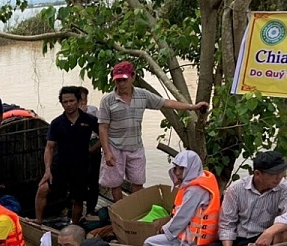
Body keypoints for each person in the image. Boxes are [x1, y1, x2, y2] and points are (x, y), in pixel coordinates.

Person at [98, 61, 209, 202]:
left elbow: (166, 103)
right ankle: (119, 210)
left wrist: (192, 107)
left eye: (124, 80)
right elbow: (102, 127)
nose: (121, 84)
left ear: (133, 77)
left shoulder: (143, 95)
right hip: (114, 147)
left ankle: (135, 209)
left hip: (135, 146)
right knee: (115, 183)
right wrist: (107, 152)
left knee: (138, 181)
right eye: (118, 80)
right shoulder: (107, 100)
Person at [35, 86, 99, 224]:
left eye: (71, 101)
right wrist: (47, 170)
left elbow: (104, 135)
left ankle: (74, 226)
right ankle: (38, 221)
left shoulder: (89, 120)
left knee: (78, 199)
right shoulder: (57, 123)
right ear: (62, 103)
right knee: (42, 189)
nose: (69, 104)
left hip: (81, 166)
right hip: (61, 165)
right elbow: (49, 147)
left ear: (78, 101)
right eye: (65, 102)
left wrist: (92, 150)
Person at [144, 150, 220, 246]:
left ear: (192, 168)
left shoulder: (194, 190)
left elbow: (182, 216)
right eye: (175, 168)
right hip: (196, 235)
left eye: (182, 168)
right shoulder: (202, 179)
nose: (178, 173)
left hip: (191, 240)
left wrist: (165, 230)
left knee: (149, 243)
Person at [219, 150, 287, 246]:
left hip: (267, 239)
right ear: (257, 173)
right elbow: (227, 223)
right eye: (273, 174)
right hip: (239, 239)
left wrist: (269, 232)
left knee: (285, 230)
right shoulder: (236, 189)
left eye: (281, 172)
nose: (279, 177)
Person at [78, 86, 102, 218]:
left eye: (85, 99)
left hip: (92, 143)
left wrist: (93, 148)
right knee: (78, 178)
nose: (83, 102)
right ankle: (76, 208)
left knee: (93, 179)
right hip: (78, 145)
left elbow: (101, 131)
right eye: (81, 99)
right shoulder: (71, 114)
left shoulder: (93, 110)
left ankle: (90, 210)